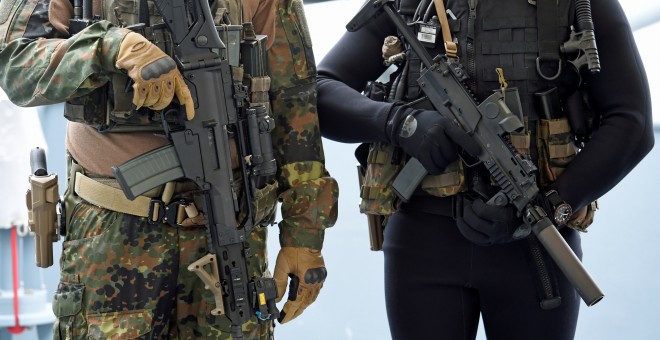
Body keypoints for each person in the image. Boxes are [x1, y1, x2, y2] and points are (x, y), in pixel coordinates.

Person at [0, 0, 338, 338]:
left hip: (230, 227)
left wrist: (304, 234)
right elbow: (16, 66)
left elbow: (293, 98)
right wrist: (110, 47)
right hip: (112, 235)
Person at [317, 0, 654, 339]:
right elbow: (319, 90)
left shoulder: (576, 4)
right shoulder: (408, 5)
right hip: (423, 246)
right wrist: (400, 123)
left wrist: (551, 206)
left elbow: (632, 122)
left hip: (537, 244)